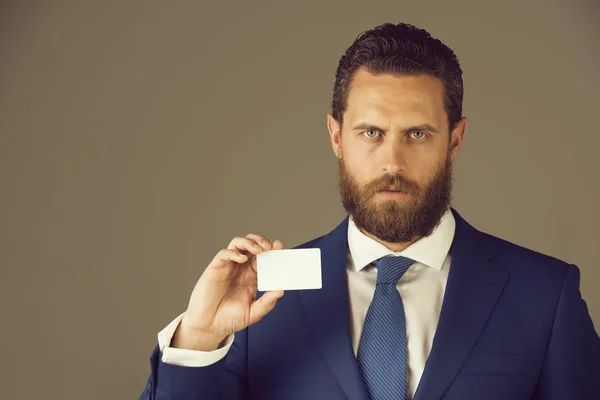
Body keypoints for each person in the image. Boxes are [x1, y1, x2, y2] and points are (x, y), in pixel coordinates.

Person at [139, 22, 600, 400]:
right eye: (370, 133)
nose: (392, 163)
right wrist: (198, 336)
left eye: (417, 134)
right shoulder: (261, 299)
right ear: (336, 137)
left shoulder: (544, 296)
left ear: (454, 141)